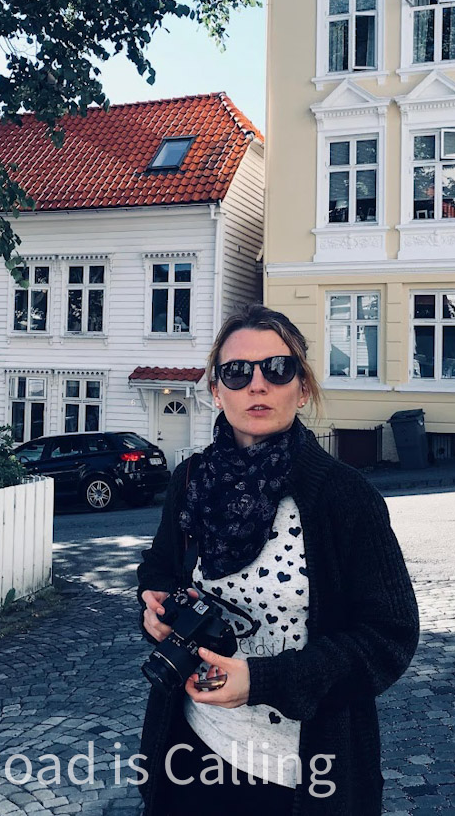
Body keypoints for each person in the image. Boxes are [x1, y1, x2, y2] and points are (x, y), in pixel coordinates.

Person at [136, 305, 419, 815]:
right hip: (192, 743)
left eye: (278, 369)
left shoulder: (343, 497)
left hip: (298, 772)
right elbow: (159, 569)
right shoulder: (192, 482)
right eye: (237, 372)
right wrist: (154, 606)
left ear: (302, 388)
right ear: (217, 390)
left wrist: (264, 681)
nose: (257, 385)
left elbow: (388, 637)